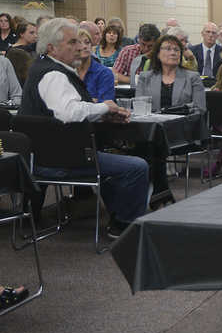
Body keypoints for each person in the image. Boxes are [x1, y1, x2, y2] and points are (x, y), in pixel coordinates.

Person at [18, 18, 148, 237]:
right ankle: (124, 225)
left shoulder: (41, 67)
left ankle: (114, 214)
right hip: (61, 160)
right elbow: (69, 113)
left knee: (114, 162)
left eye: (79, 41)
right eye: (72, 42)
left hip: (40, 157)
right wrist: (105, 107)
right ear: (52, 48)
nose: (79, 47)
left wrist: (102, 113)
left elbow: (60, 113)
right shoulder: (54, 75)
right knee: (137, 167)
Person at [136, 34, 208, 206]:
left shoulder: (192, 77)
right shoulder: (146, 77)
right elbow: (139, 106)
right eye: (168, 48)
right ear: (158, 54)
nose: (173, 52)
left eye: (177, 49)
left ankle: (152, 192)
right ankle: (162, 191)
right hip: (153, 130)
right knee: (150, 141)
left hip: (183, 130)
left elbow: (200, 109)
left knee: (148, 145)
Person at [75, 29, 115, 103]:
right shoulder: (68, 71)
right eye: (79, 43)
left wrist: (77, 102)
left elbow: (106, 106)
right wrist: (92, 100)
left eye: (87, 43)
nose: (84, 46)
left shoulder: (104, 73)